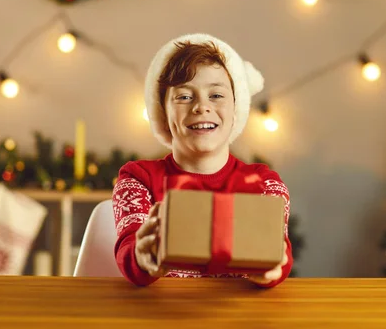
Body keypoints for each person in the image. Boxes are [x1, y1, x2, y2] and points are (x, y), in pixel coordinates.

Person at [111, 33, 292, 287]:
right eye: (184, 96)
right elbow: (129, 249)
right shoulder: (138, 179)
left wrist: (273, 268)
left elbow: (280, 255)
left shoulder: (263, 184)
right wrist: (141, 255)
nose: (201, 107)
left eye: (216, 95)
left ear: (235, 109)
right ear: (162, 112)